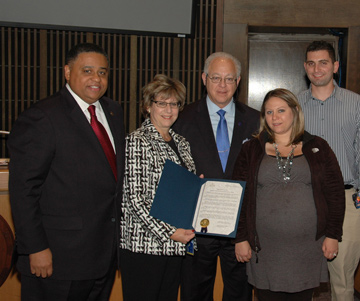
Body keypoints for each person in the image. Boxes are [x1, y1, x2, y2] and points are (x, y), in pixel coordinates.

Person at [8, 43, 125, 300]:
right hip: (57, 260)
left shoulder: (114, 112)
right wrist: (35, 248)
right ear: (67, 72)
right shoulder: (42, 117)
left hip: (103, 257)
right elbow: (23, 190)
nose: (96, 78)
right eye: (87, 70)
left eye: (103, 72)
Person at [233, 88, 345, 301]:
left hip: (307, 248)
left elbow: (335, 194)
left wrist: (332, 234)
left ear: (295, 111)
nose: (275, 117)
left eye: (281, 110)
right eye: (269, 112)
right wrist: (240, 238)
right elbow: (238, 196)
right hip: (264, 249)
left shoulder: (318, 147)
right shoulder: (251, 149)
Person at [174, 52, 259, 301]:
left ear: (239, 81)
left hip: (239, 229)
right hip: (196, 226)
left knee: (240, 293)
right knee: (195, 293)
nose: (223, 85)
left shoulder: (255, 120)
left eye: (229, 79)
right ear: (203, 78)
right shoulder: (182, 117)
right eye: (216, 78)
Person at [298, 40, 360, 301]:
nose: (316, 69)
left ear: (335, 66)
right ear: (305, 66)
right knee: (301, 275)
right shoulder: (294, 105)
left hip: (346, 199)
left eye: (323, 62)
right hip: (302, 198)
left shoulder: (356, 104)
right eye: (311, 63)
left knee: (342, 279)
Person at [119, 75, 196, 300]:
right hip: (145, 245)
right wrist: (170, 232)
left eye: (174, 103)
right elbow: (134, 200)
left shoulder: (182, 143)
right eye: (161, 103)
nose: (168, 109)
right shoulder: (136, 141)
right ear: (147, 106)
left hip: (175, 246)